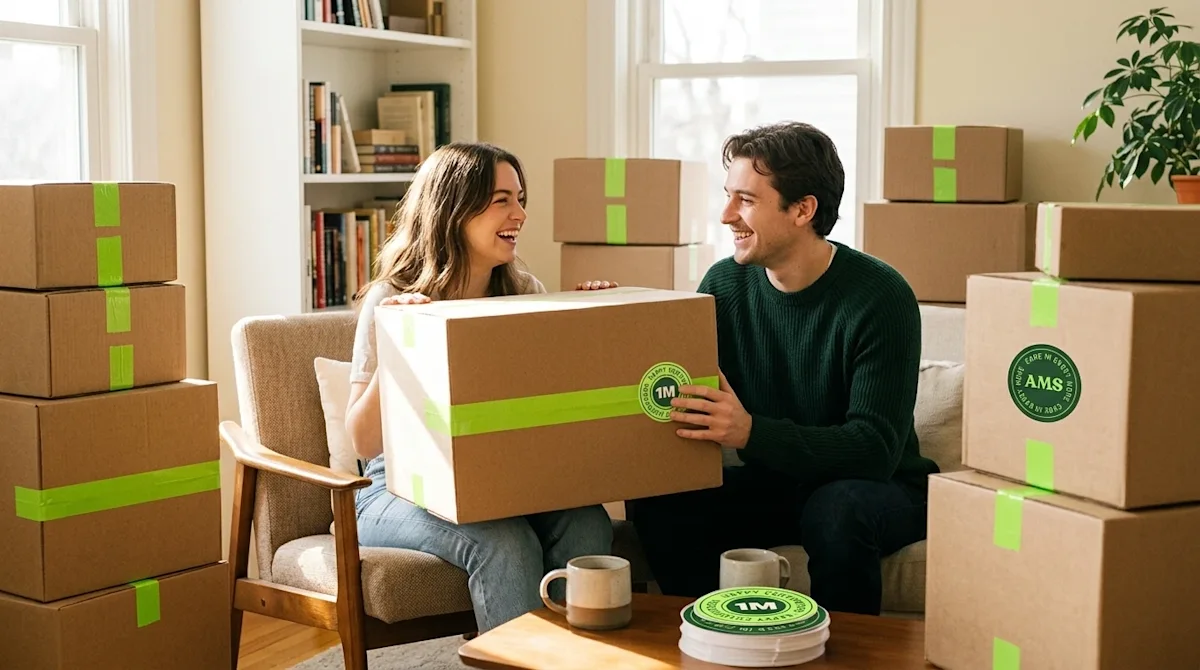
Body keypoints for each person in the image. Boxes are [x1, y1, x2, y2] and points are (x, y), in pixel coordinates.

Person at [626, 121, 939, 616]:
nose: (727, 215)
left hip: (881, 488)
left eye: (746, 200)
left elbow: (875, 450)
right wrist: (606, 316)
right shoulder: (725, 284)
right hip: (780, 483)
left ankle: (846, 654)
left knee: (837, 510)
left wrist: (751, 432)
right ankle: (711, 636)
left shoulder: (881, 296)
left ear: (802, 209)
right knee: (662, 501)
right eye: (728, 196)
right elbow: (667, 375)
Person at [344, 142, 618, 633]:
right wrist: (400, 346)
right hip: (396, 486)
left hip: (504, 474)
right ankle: (520, 662)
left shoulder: (523, 291)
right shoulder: (391, 298)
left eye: (520, 199)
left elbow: (554, 405)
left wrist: (594, 322)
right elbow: (362, 443)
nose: (521, 214)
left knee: (588, 522)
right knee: (503, 541)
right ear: (454, 210)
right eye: (501, 201)